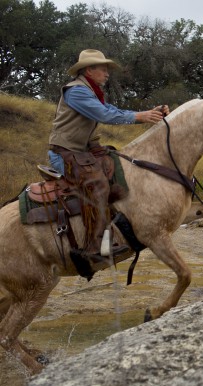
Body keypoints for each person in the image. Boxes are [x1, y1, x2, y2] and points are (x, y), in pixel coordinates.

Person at [48, 49, 170, 261]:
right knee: (98, 185)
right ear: (89, 70)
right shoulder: (76, 91)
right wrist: (140, 116)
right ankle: (95, 246)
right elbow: (104, 114)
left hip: (82, 150)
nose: (107, 73)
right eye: (103, 69)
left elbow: (109, 108)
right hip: (65, 153)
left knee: (119, 165)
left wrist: (150, 113)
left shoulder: (90, 91)